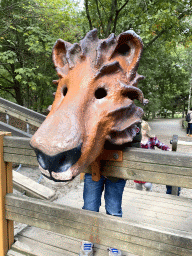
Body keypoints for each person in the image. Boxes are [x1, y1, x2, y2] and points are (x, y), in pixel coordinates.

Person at [79, 124, 142, 256]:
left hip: (117, 165)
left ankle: (114, 242)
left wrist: (128, 165)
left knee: (114, 208)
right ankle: (88, 237)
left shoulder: (128, 110)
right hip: (93, 164)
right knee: (90, 205)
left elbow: (135, 139)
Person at [134, 120, 171, 191]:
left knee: (147, 185)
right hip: (139, 165)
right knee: (138, 185)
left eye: (143, 129)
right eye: (140, 130)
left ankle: (149, 193)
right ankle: (139, 197)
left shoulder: (151, 139)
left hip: (149, 165)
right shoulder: (136, 140)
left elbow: (161, 145)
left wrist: (168, 149)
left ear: (146, 130)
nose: (142, 131)